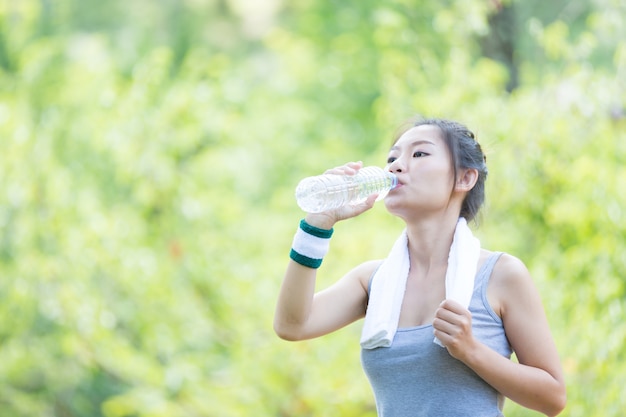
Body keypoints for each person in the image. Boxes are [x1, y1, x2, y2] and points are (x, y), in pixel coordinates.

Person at [274, 118, 566, 416]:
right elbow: (292, 325)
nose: (396, 166)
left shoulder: (501, 274)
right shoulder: (372, 281)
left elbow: (553, 398)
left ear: (465, 178)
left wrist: (471, 350)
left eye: (419, 154)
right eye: (392, 158)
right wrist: (316, 225)